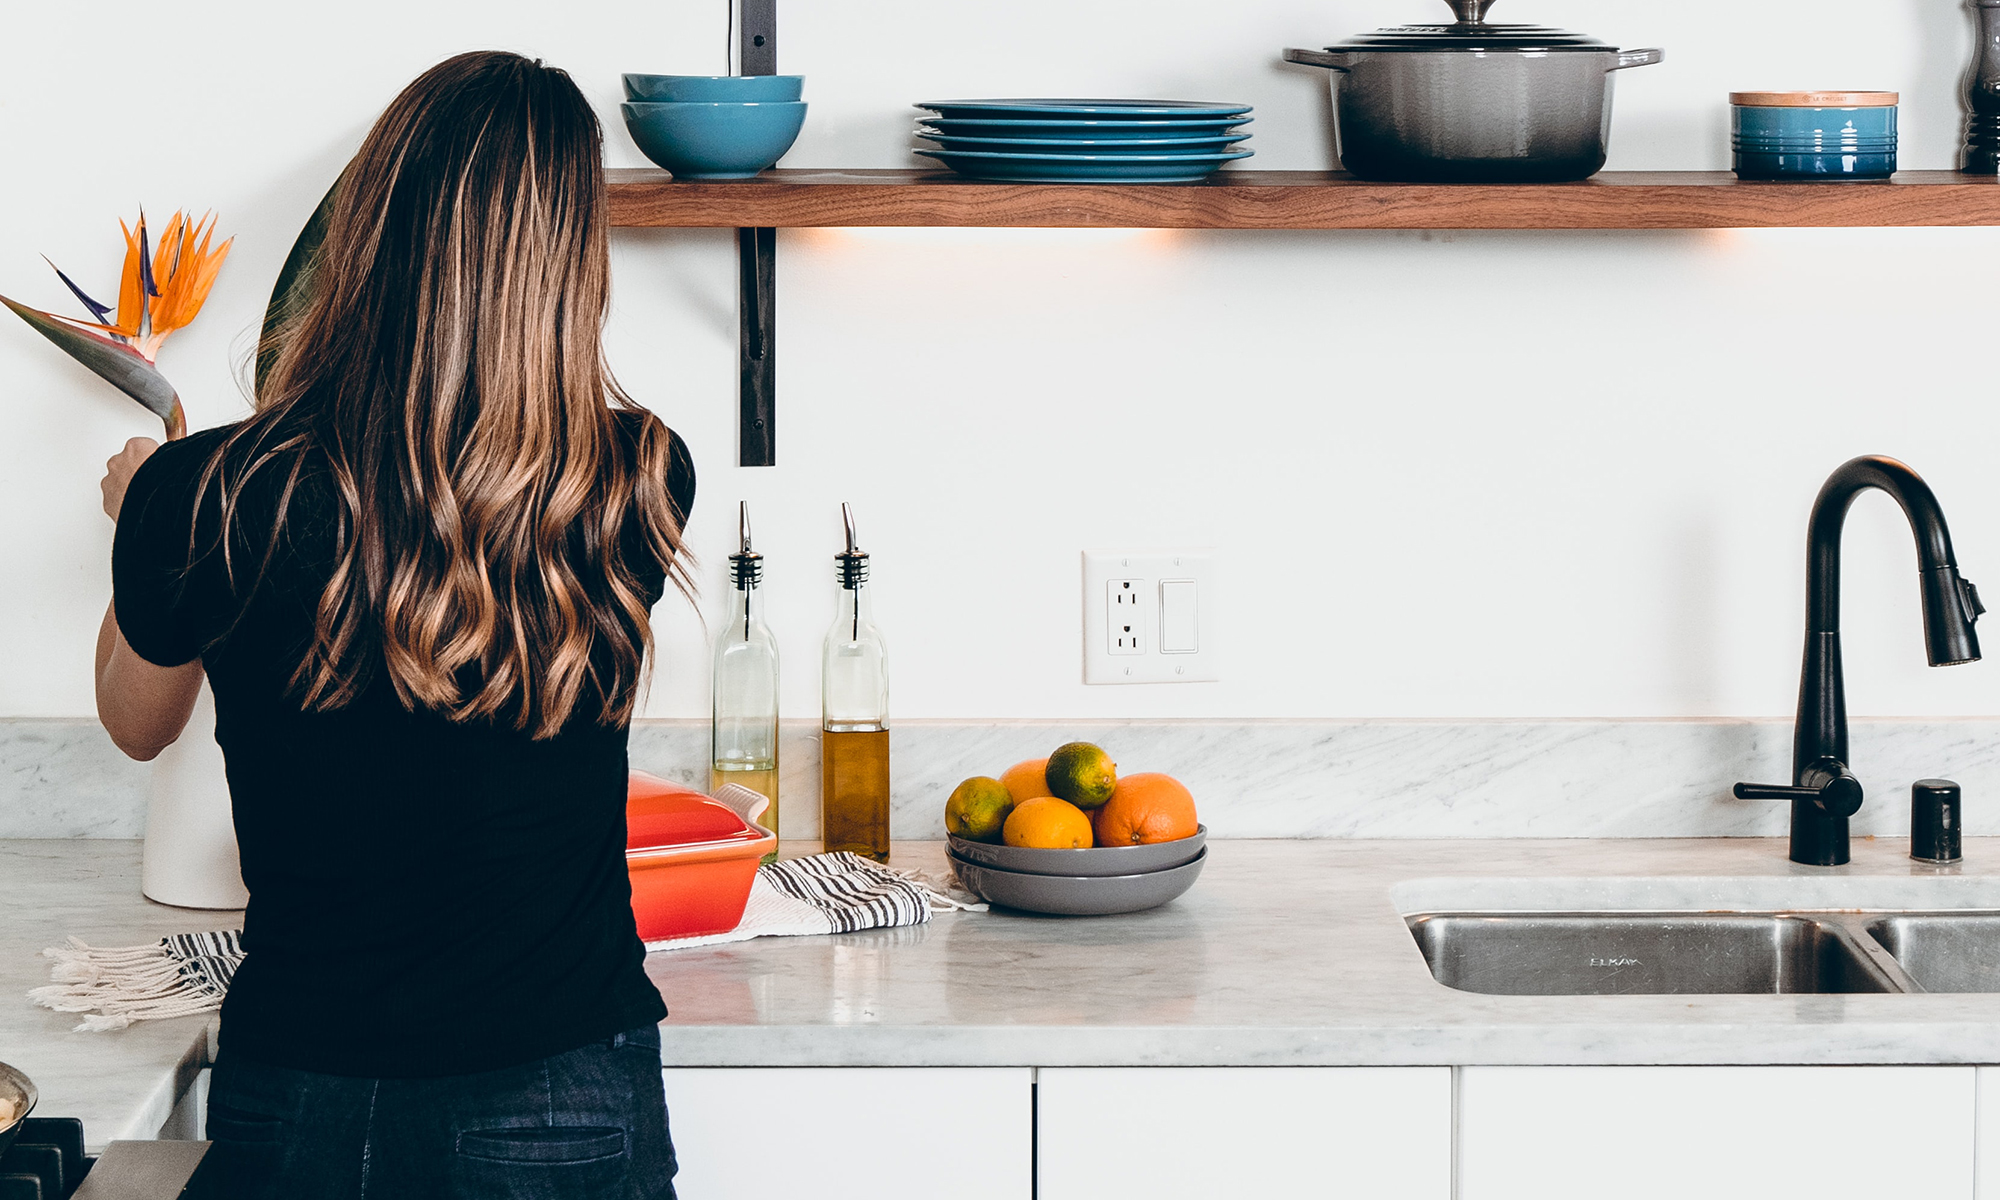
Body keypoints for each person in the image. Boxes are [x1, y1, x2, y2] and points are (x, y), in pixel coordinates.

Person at [94, 50, 693, 1199]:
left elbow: (134, 721)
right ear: (571, 259)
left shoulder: (207, 490)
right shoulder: (633, 478)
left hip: (302, 1087)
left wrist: (140, 524)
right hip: (562, 1085)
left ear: (363, 226)